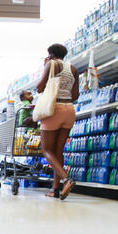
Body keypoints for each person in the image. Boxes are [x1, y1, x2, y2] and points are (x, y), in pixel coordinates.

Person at [36, 44, 79, 200]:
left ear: (51, 54)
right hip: (69, 110)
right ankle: (55, 190)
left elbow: (39, 88)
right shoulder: (73, 68)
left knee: (46, 150)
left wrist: (45, 67)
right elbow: (75, 95)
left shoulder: (51, 64)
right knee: (58, 152)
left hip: (54, 110)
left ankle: (66, 179)